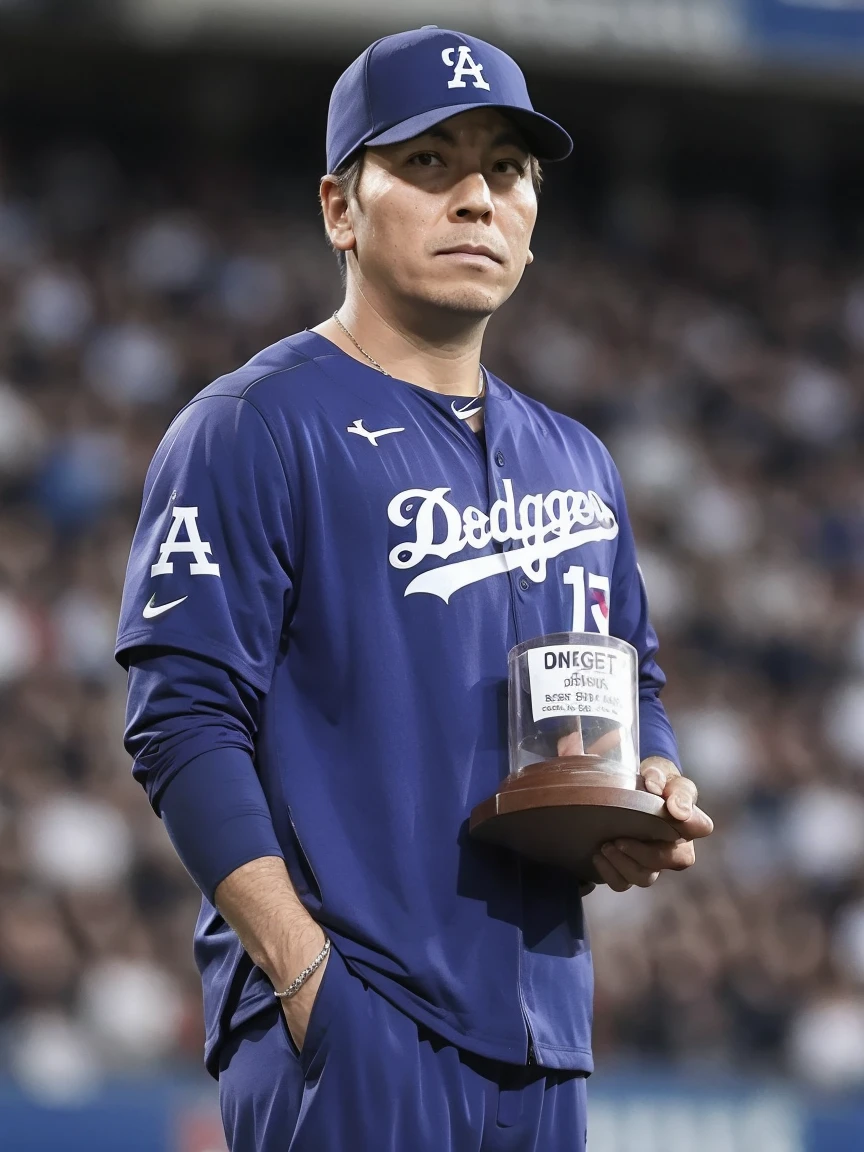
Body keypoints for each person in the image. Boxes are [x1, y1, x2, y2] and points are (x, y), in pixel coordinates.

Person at [116, 26, 712, 1152]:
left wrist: (651, 783)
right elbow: (181, 720)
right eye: (430, 163)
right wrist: (304, 977)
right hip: (359, 1016)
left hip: (546, 1029)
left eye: (506, 169)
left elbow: (634, 676)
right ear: (341, 207)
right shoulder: (251, 425)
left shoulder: (578, 458)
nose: (477, 200)